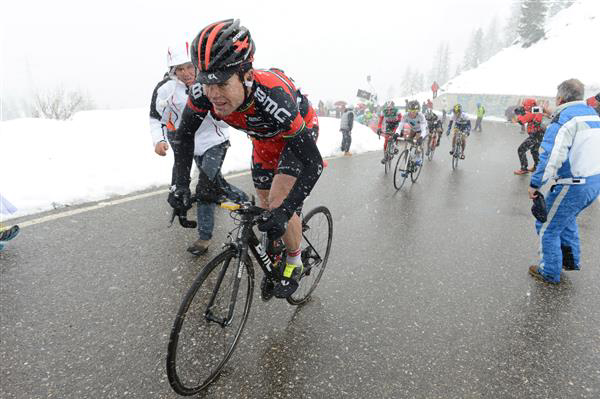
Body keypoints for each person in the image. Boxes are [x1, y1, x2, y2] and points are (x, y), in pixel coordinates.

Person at [170, 19, 323, 299]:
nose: (213, 94)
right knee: (263, 203)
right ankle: (276, 248)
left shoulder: (274, 99)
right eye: (206, 82)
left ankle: (294, 262)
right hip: (264, 138)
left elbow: (313, 164)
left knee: (278, 203)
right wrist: (178, 185)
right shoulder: (204, 94)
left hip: (297, 134)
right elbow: (183, 136)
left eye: (222, 83)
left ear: (247, 75)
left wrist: (286, 210)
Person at [151, 42, 247, 255]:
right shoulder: (165, 90)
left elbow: (227, 117)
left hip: (215, 141)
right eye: (180, 69)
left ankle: (204, 240)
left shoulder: (210, 84)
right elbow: (156, 118)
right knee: (214, 183)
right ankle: (245, 202)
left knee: (204, 189)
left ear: (197, 65)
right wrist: (158, 140)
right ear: (172, 71)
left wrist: (217, 114)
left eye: (189, 66)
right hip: (189, 146)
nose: (186, 73)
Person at [527, 79, 600, 284]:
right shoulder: (591, 114)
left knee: (546, 226)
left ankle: (549, 271)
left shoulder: (565, 119)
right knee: (565, 220)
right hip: (593, 182)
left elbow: (550, 156)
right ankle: (569, 260)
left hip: (573, 184)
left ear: (560, 97)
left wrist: (536, 184)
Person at [513, 98, 545, 175]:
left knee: (521, 150)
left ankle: (524, 168)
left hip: (535, 135)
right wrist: (523, 112)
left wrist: (520, 113)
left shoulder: (533, 111)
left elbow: (522, 121)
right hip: (540, 134)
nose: (524, 107)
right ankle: (537, 167)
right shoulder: (537, 110)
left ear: (529, 105)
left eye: (525, 105)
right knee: (534, 151)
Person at [398, 100, 428, 166]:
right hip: (413, 129)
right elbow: (400, 127)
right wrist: (396, 133)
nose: (412, 113)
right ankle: (407, 159)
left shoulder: (421, 116)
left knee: (418, 143)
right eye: (410, 111)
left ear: (418, 111)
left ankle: (418, 157)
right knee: (408, 142)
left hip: (420, 130)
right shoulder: (405, 115)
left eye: (414, 111)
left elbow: (423, 130)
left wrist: (421, 137)